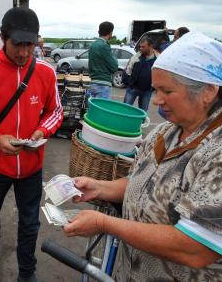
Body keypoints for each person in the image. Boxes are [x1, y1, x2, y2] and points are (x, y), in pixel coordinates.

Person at [63, 32, 222, 281]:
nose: (157, 101)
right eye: (155, 89)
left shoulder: (216, 151)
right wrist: (100, 188)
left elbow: (196, 248)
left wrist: (105, 224)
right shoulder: (165, 132)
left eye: (166, 91)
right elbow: (139, 180)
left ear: (208, 92)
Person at [0, 7, 63, 282]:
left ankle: (27, 273)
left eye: (29, 44)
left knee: (30, 223)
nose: (24, 52)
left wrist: (43, 131)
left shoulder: (45, 72)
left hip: (32, 166)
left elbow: (55, 111)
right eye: (17, 44)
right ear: (2, 38)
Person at [122, 36, 158, 111]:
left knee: (143, 112)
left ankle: (141, 123)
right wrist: (129, 83)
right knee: (125, 109)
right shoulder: (136, 57)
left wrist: (153, 87)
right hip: (133, 88)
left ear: (150, 46)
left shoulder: (158, 59)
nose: (141, 48)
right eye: (140, 47)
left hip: (147, 91)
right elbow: (128, 70)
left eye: (143, 47)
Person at [88, 21, 118, 99]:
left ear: (99, 31)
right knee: (101, 110)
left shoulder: (93, 45)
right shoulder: (104, 46)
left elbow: (90, 65)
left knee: (93, 109)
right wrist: (114, 58)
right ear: (110, 33)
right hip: (103, 84)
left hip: (93, 83)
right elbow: (114, 67)